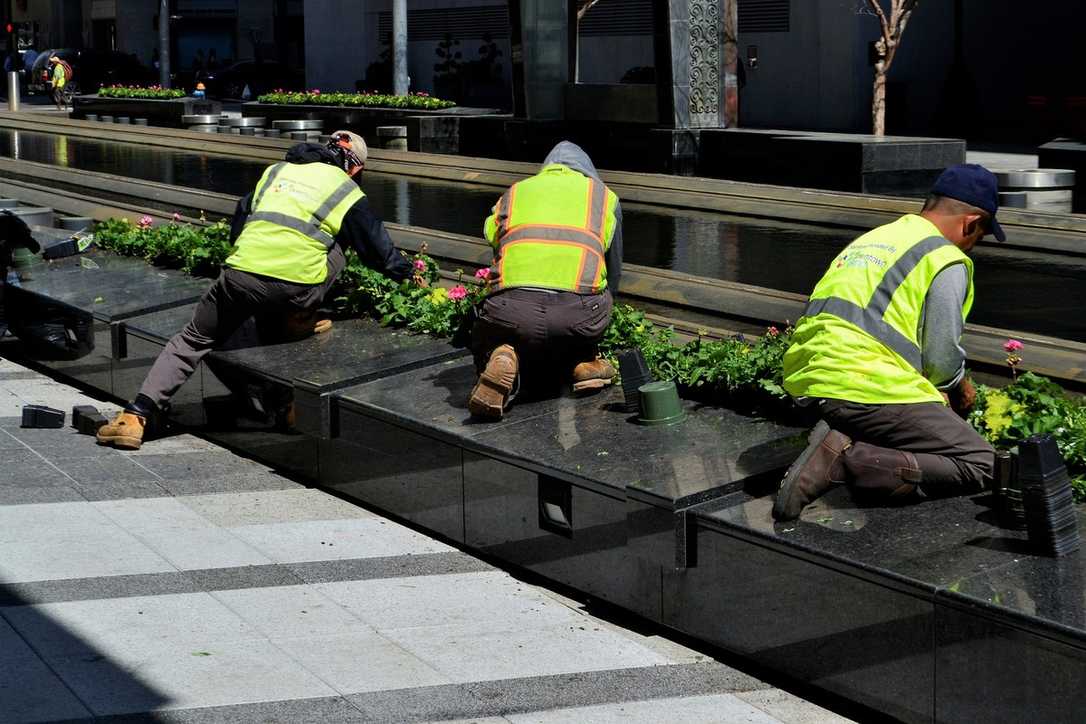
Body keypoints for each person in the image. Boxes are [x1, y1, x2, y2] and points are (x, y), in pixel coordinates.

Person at [97, 131, 415, 450]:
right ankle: (301, 319)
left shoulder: (275, 171)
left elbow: (241, 215)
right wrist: (409, 275)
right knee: (340, 243)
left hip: (241, 275)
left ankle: (134, 417)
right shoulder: (346, 189)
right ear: (357, 169)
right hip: (299, 286)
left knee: (192, 339)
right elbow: (379, 253)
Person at [771, 164, 1004, 521]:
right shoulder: (945, 258)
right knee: (985, 464)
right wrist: (957, 387)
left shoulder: (876, 238)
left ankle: (842, 433)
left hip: (812, 378)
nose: (973, 247)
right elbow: (941, 359)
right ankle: (846, 461)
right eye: (981, 237)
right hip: (867, 384)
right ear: (971, 224)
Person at [468, 141, 623, 420]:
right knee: (592, 303)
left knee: (504, 328)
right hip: (579, 316)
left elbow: (495, 242)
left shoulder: (515, 192)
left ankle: (503, 355)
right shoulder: (603, 197)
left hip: (510, 310)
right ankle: (583, 360)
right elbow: (613, 269)